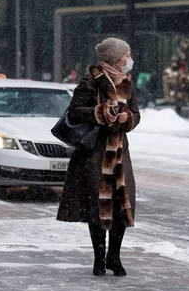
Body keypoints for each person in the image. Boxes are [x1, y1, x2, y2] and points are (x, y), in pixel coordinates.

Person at [57, 37, 140, 277]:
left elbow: (135, 113)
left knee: (120, 208)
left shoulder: (128, 84)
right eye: (126, 55)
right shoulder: (91, 81)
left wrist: (128, 119)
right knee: (98, 205)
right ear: (115, 57)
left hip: (120, 155)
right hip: (94, 154)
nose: (129, 59)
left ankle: (115, 257)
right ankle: (99, 259)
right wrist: (102, 112)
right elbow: (74, 111)